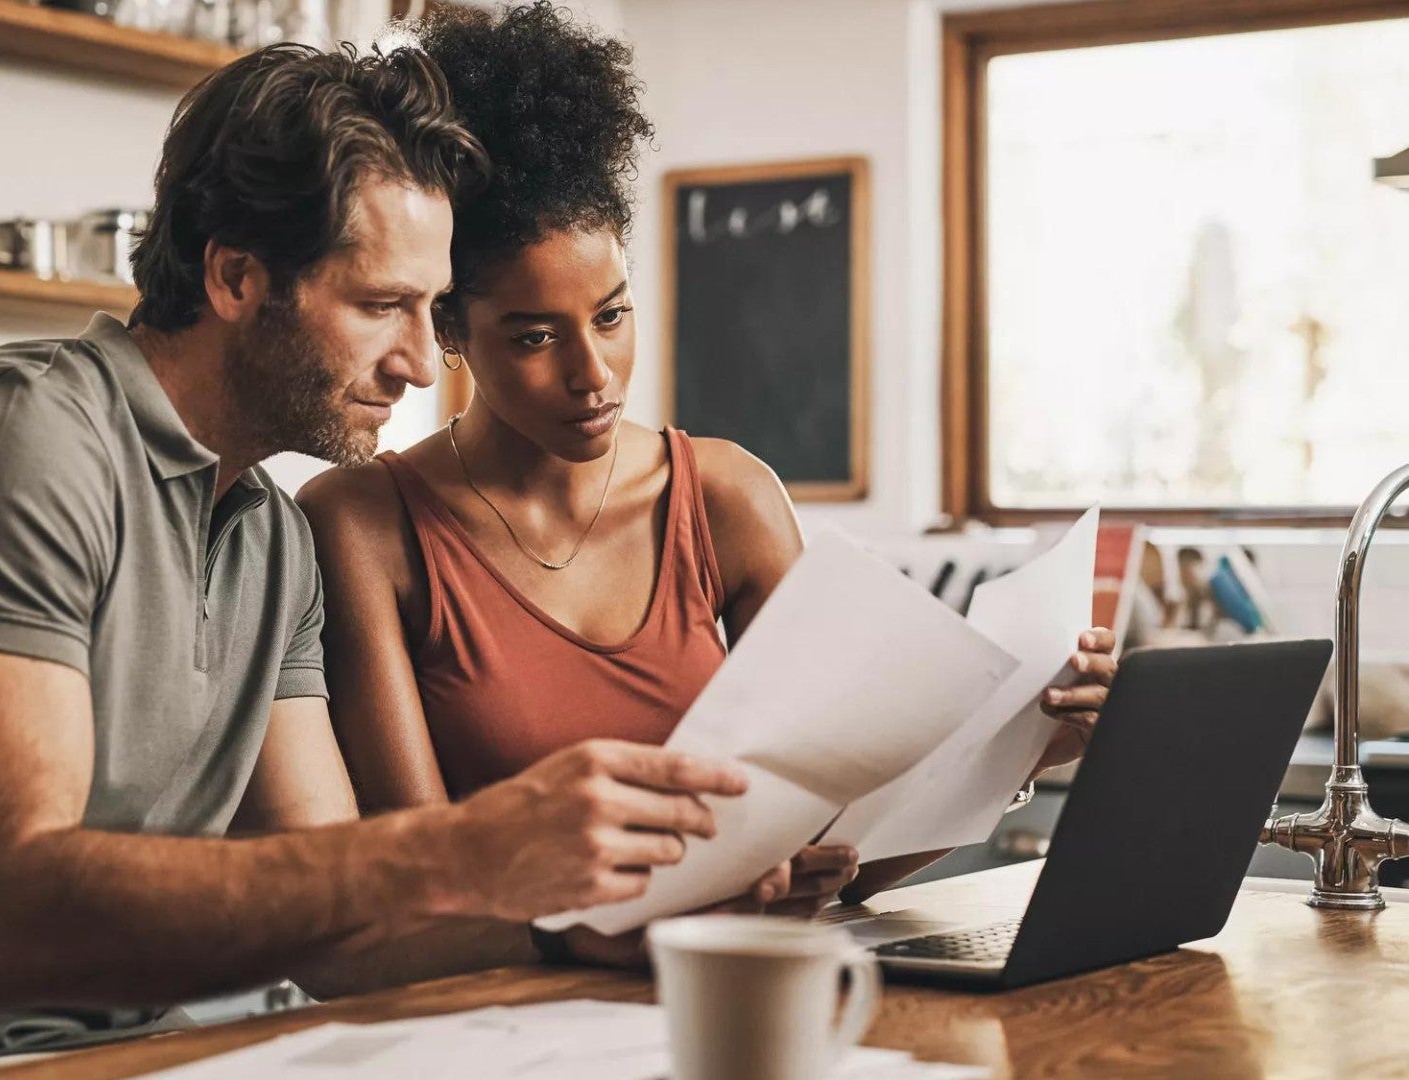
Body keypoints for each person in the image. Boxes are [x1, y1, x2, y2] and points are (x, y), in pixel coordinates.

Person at [0, 42, 759, 1080]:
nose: (413, 361)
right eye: (379, 304)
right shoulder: (18, 449)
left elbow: (343, 934)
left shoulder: (269, 532)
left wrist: (568, 935)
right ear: (237, 275)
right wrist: (468, 847)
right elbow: (0, 923)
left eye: (430, 312)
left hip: (136, 1050)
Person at [297, 2, 1117, 957]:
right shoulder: (363, 525)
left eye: (611, 316)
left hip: (716, 1007)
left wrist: (1018, 748)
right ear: (446, 330)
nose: (591, 374)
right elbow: (418, 888)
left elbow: (837, 854)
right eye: (532, 337)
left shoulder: (727, 500)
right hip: (504, 1028)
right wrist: (625, 929)